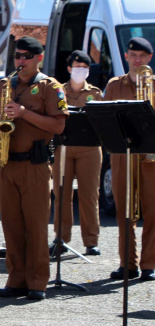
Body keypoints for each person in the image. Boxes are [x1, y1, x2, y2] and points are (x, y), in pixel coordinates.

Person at [0, 37, 67, 300]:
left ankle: (38, 281)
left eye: (27, 56)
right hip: (7, 162)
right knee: (11, 225)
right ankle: (16, 279)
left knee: (36, 225)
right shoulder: (4, 85)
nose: (21, 61)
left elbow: (59, 126)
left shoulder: (49, 87)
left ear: (39, 58)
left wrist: (23, 113)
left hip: (35, 165)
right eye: (18, 56)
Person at [103, 36, 155, 282]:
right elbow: (105, 117)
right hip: (123, 154)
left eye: (142, 56)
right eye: (133, 56)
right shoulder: (114, 85)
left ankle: (149, 264)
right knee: (125, 211)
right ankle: (128, 264)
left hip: (150, 156)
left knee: (152, 212)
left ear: (149, 58)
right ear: (126, 57)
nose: (137, 60)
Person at [51, 50, 103, 257]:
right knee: (61, 194)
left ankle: (91, 241)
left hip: (89, 148)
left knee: (89, 195)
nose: (80, 71)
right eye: (76, 67)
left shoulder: (96, 93)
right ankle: (61, 238)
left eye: (84, 68)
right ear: (69, 68)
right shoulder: (58, 91)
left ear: (88, 71)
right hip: (63, 147)